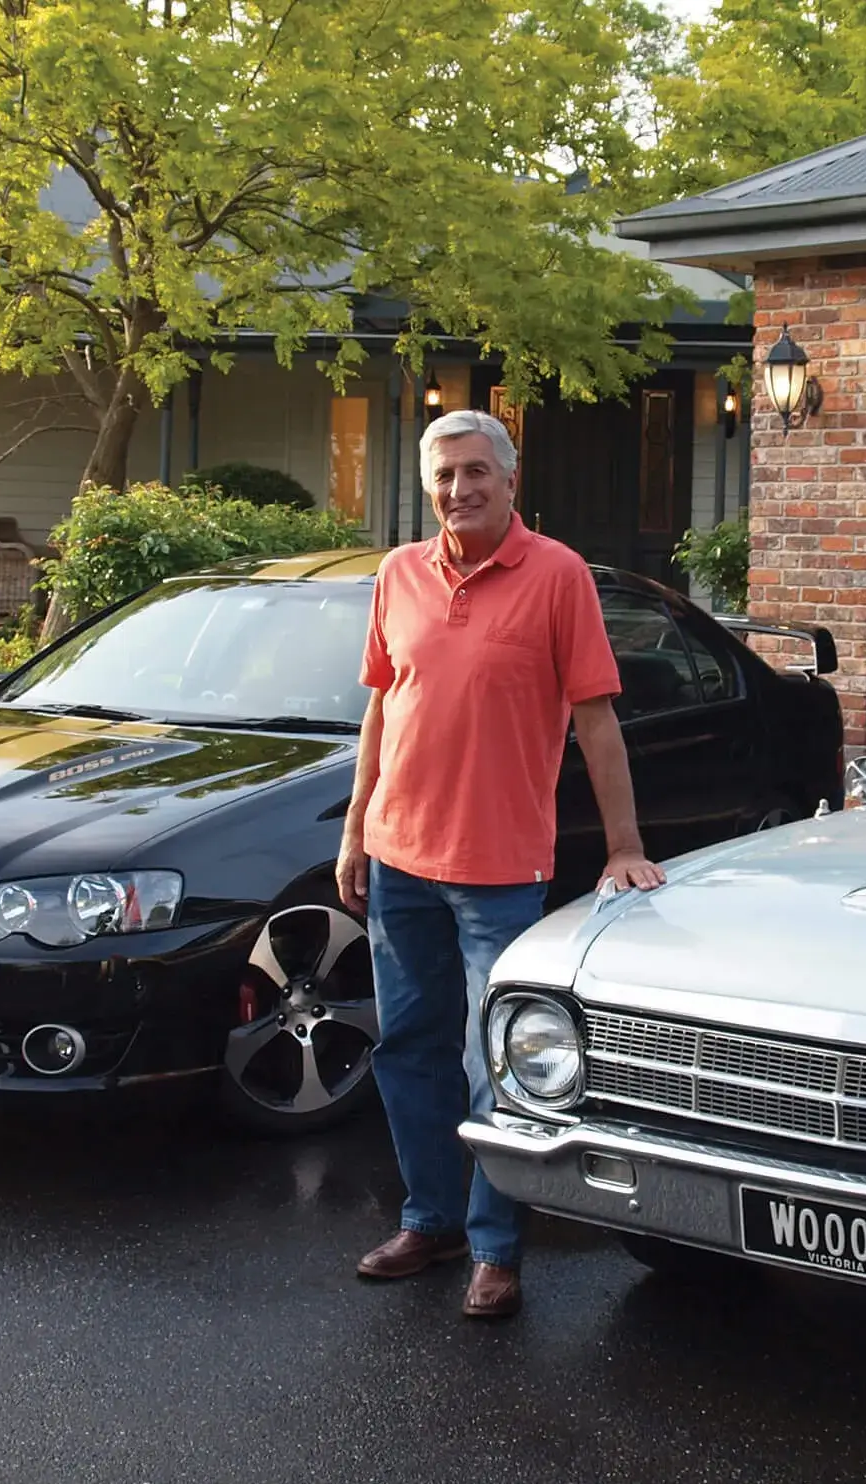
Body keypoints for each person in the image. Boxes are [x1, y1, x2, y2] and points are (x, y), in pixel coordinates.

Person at [338, 410, 664, 1319]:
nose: (459, 490)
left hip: (500, 868)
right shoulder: (398, 575)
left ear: (511, 481)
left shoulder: (558, 576)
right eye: (444, 476)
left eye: (477, 472)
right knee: (409, 1047)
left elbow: (597, 720)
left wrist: (625, 845)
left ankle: (495, 1247)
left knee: (501, 1060)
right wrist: (355, 826)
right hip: (398, 854)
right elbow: (380, 710)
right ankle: (431, 1217)